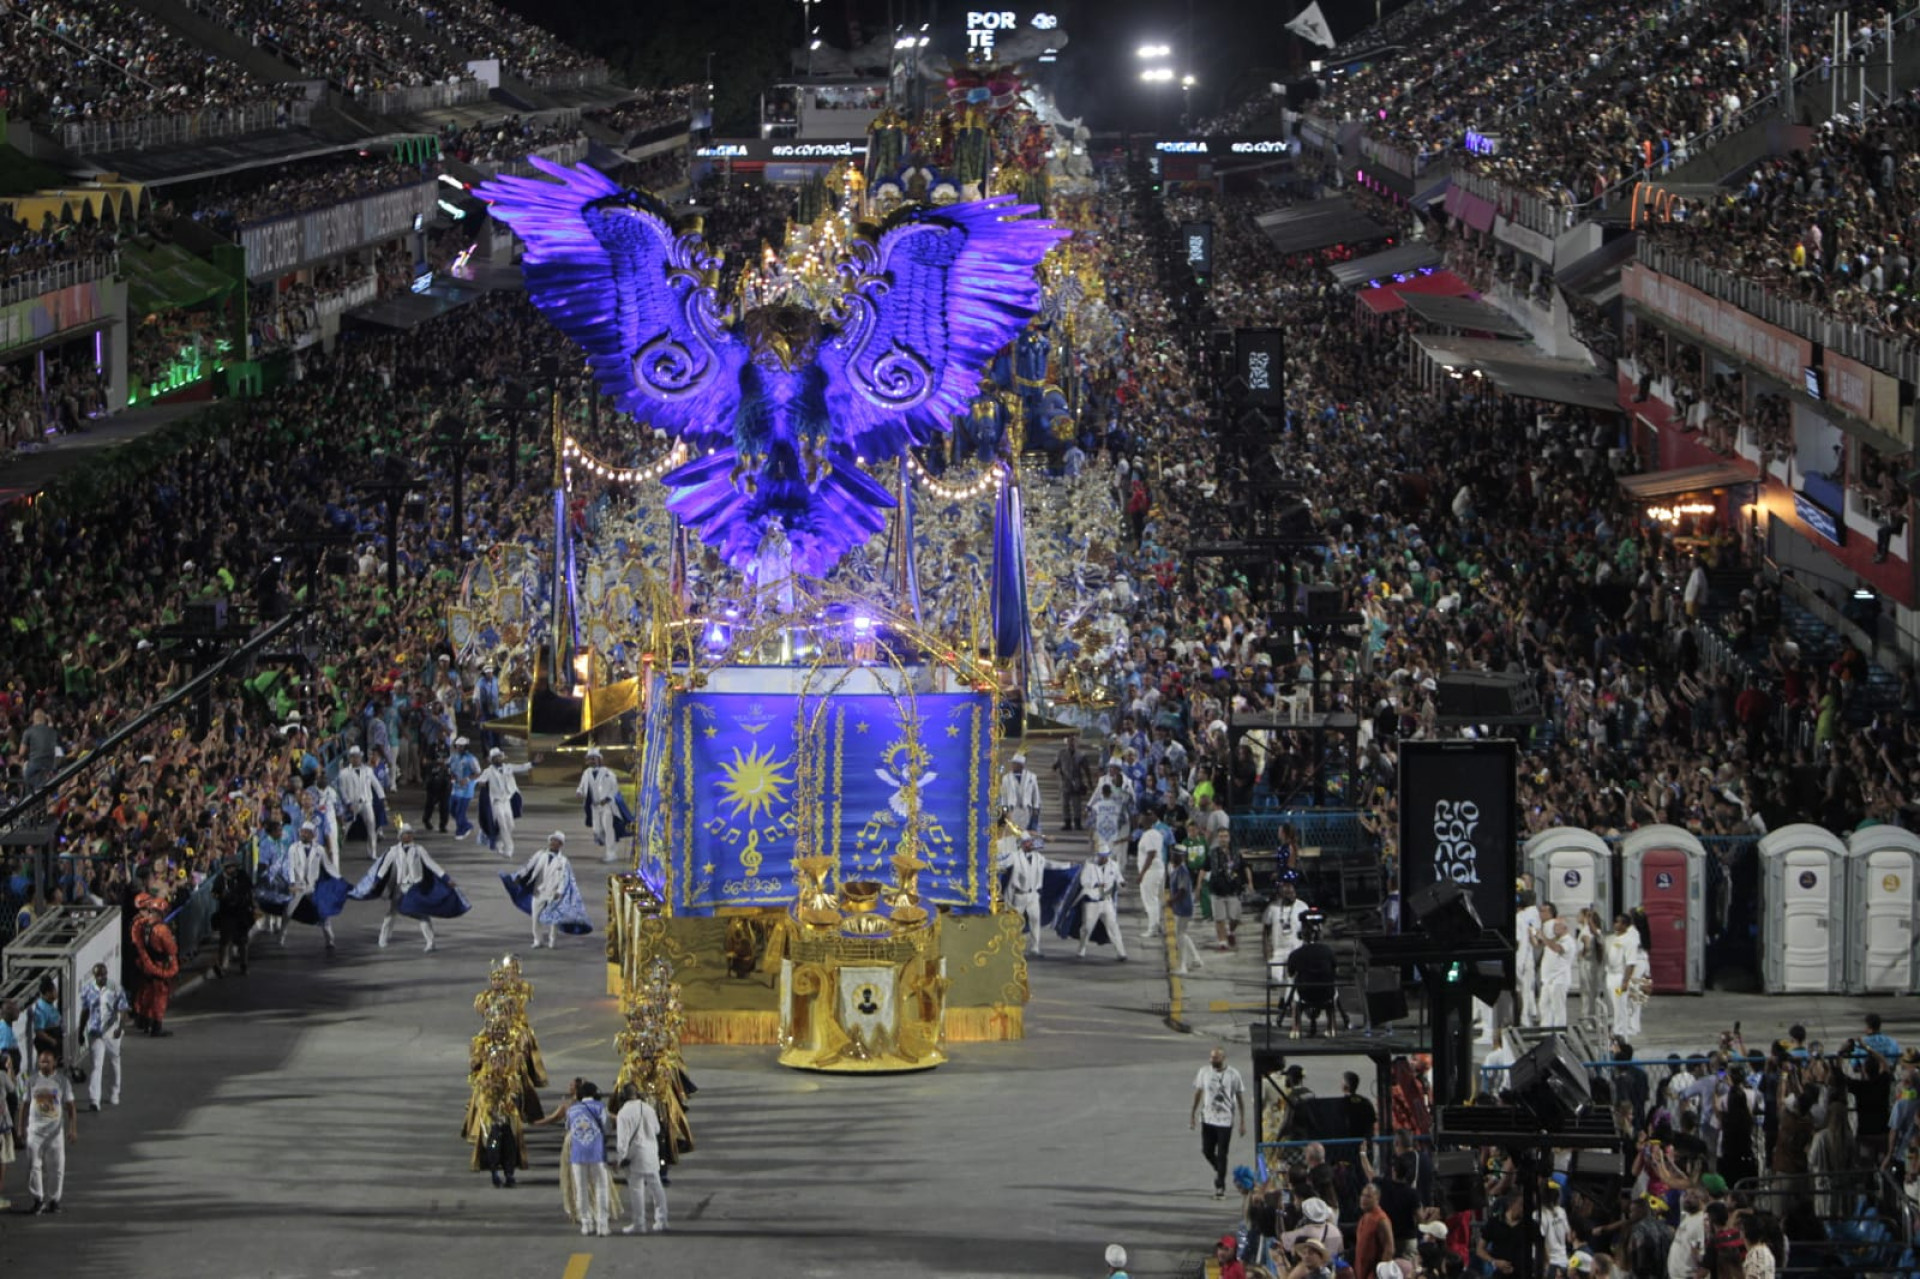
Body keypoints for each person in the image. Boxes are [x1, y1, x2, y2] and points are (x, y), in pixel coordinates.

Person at [359, 823, 461, 952]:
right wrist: (375, 882)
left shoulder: (419, 850)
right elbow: (383, 868)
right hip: (400, 886)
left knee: (422, 914)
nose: (409, 836)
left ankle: (430, 942)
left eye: (410, 833)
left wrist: (446, 878)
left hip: (415, 886)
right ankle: (383, 938)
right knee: (392, 913)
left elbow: (431, 864)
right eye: (406, 833)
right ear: (401, 836)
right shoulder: (393, 851)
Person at [18, 1048, 75, 1214]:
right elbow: (24, 1105)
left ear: (54, 1063)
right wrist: (20, 1129)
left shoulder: (62, 1081)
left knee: (57, 1168)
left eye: (47, 1061)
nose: (43, 1064)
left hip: (55, 1134)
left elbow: (71, 1107)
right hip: (35, 1132)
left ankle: (54, 1200)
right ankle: (38, 1199)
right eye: (41, 1061)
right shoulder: (32, 1080)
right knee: (33, 1167)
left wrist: (73, 1129)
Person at [1190, 1046, 1247, 1199]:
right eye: (1211, 1057)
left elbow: (1240, 1098)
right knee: (1207, 1150)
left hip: (1225, 1120)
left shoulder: (1233, 1074)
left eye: (1215, 1058)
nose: (1212, 1060)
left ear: (1223, 1058)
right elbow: (1198, 1092)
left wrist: (1242, 1121)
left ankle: (1220, 1185)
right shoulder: (1204, 1072)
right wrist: (1193, 1114)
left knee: (1222, 1154)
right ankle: (1220, 1169)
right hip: (1208, 1119)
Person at [512, 832, 586, 949]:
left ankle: (553, 941)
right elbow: (529, 866)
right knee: (535, 917)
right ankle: (538, 940)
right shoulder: (540, 854)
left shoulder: (564, 861)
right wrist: (519, 876)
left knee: (553, 919)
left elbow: (565, 878)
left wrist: (560, 892)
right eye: (551, 840)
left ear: (560, 844)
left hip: (553, 893)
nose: (552, 843)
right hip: (539, 891)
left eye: (555, 841)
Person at [129, 881, 179, 1038]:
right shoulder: (161, 930)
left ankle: (145, 1021)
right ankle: (156, 1026)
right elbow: (172, 949)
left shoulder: (143, 926)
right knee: (160, 996)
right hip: (159, 965)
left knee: (147, 993)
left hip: (147, 964)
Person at [283, 819, 343, 950]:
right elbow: (290, 866)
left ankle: (330, 940)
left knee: (323, 912)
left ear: (312, 834)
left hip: (313, 886)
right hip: (298, 885)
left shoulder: (319, 850)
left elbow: (328, 866)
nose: (304, 834)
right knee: (288, 911)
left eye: (307, 832)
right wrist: (292, 883)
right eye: (302, 832)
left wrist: (338, 879)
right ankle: (281, 935)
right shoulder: (293, 848)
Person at [614, 1085, 667, 1235]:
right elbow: (657, 1130)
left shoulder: (623, 1113)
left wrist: (620, 1159)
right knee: (657, 1188)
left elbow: (622, 1142)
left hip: (635, 1157)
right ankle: (662, 1220)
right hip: (651, 1153)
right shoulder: (648, 1108)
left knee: (637, 1190)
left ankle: (639, 1223)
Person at [78, 963, 128, 1112]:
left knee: (114, 1061)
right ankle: (94, 1099)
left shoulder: (115, 988)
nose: (102, 977)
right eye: (99, 975)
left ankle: (114, 1092)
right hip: (95, 1032)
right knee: (96, 1065)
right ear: (94, 976)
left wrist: (120, 1027)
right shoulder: (87, 989)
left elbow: (123, 1009)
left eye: (104, 974)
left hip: (112, 1031)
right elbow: (85, 1011)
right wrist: (81, 1031)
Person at [565, 1081, 613, 1237]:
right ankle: (602, 1224)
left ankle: (586, 1223)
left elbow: (568, 1128)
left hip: (577, 1155)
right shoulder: (600, 1107)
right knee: (601, 1188)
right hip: (597, 1154)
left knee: (581, 1189)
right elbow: (607, 1128)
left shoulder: (572, 1110)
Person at [478, 747, 534, 859]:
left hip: (507, 800)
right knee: (502, 824)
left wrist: (534, 763)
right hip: (496, 802)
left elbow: (522, 767)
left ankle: (499, 841)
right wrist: (482, 783)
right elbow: (480, 781)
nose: (498, 758)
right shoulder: (488, 771)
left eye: (499, 756)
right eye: (495, 757)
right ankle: (509, 849)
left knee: (510, 824)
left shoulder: (508, 768)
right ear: (492, 759)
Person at [1005, 835, 1055, 957]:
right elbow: (1002, 862)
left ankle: (1035, 948)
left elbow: (1051, 864)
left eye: (1031, 842)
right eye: (1027, 843)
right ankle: (1012, 948)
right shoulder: (1015, 857)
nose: (1030, 844)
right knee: (1015, 923)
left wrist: (1069, 865)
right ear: (1022, 844)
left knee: (1035, 920)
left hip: (1033, 895)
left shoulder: (1038, 857)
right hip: (1019, 895)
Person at [336, 745, 388, 860]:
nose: (356, 759)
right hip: (352, 804)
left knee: (371, 826)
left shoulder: (368, 771)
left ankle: (372, 852)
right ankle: (336, 852)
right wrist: (348, 803)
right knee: (344, 829)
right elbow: (342, 790)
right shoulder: (344, 773)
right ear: (350, 758)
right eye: (353, 757)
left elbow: (377, 785)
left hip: (366, 802)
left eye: (358, 757)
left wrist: (382, 798)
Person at [1076, 847, 1127, 961]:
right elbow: (1083, 881)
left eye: (1104, 856)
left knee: (1113, 926)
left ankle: (1121, 952)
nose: (1102, 858)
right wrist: (1095, 885)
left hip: (1106, 900)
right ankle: (1081, 949)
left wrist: (1121, 882)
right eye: (1100, 856)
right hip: (1092, 901)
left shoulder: (1113, 865)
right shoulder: (1089, 865)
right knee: (1087, 927)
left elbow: (1118, 877)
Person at [575, 748, 625, 861]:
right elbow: (582, 786)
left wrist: (607, 798)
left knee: (608, 828)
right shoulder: (586, 773)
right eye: (589, 759)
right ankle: (607, 841)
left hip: (606, 805)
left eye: (593, 758)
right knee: (597, 831)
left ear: (599, 759)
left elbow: (615, 788)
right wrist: (579, 791)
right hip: (594, 806)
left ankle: (611, 853)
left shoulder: (608, 773)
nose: (591, 761)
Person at [210, 857, 255, 977]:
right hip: (227, 913)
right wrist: (221, 896)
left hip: (241, 911)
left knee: (242, 940)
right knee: (224, 940)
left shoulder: (242, 876)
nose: (232, 869)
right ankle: (222, 966)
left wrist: (249, 904)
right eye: (229, 867)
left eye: (233, 866)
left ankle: (244, 965)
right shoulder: (221, 879)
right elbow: (214, 893)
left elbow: (249, 889)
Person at [1605, 912, 1645, 1038]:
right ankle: (1617, 1028)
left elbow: (1630, 963)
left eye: (1618, 922)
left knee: (1620, 1005)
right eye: (1615, 921)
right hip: (1610, 976)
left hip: (1619, 978)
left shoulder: (1630, 940)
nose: (1615, 924)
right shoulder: (1615, 938)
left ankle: (1621, 1031)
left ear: (1625, 925)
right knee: (1614, 1004)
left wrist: (1625, 981)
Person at [1535, 902, 1574, 1027]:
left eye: (1557, 926)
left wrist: (1544, 937)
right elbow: (1542, 944)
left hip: (1559, 979)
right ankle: (1546, 1030)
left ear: (1564, 928)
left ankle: (1559, 1033)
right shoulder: (1554, 940)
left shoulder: (1568, 941)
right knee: (1543, 1005)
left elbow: (1557, 949)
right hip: (1548, 979)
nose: (1554, 928)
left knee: (1558, 1008)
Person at [1354, 1183, 1394, 1279]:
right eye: (1362, 1195)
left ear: (1377, 1199)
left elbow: (1389, 1249)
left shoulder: (1381, 1220)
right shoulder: (1364, 1217)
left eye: (1368, 1196)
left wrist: (1379, 1274)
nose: (1363, 1199)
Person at [1515, 882, 1541, 1027]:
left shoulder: (1523, 916)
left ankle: (1524, 1018)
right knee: (1526, 990)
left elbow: (1519, 941)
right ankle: (1526, 1016)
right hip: (1526, 958)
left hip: (1521, 959)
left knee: (1523, 990)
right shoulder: (1529, 915)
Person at [1136, 811, 1166, 938]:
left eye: (1142, 817)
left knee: (1150, 900)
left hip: (1151, 871)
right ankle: (1156, 925)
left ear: (1148, 820)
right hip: (1157, 869)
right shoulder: (1156, 833)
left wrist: (1142, 873)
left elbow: (1151, 853)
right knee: (1156, 900)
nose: (1139, 818)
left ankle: (1152, 929)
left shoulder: (1149, 835)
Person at [1053, 734, 1091, 831]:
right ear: (1067, 742)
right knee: (1065, 804)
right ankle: (1067, 823)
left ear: (1076, 742)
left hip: (1077, 782)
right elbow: (1055, 765)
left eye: (1073, 741)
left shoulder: (1081, 755)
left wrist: (1089, 782)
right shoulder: (1061, 753)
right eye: (1070, 741)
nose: (1071, 743)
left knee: (1076, 804)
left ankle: (1077, 823)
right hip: (1065, 781)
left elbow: (1086, 769)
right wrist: (1056, 768)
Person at [997, 753, 1042, 835]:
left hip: (1027, 809)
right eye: (1013, 764)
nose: (1013, 766)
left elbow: (1036, 793)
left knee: (1025, 832)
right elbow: (1004, 796)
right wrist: (1004, 810)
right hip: (1013, 809)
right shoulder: (1006, 778)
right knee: (1013, 831)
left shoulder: (1031, 777)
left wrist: (1036, 807)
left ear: (1021, 765)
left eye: (1015, 764)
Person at [449, 737, 481, 838]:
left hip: (466, 790)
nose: (459, 748)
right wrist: (451, 775)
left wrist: (467, 779)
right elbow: (449, 768)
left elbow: (478, 773)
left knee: (460, 811)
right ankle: (467, 825)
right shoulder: (453, 757)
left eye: (461, 747)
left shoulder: (471, 759)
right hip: (455, 788)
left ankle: (461, 831)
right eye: (457, 746)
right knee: (451, 809)